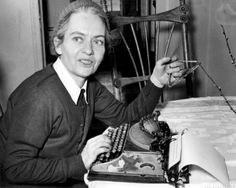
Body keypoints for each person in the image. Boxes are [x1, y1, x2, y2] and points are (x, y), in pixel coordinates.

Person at [0, 0, 183, 187]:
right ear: (58, 44)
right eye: (78, 38)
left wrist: (156, 82)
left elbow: (126, 119)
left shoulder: (89, 86)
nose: (88, 50)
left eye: (98, 41)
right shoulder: (39, 98)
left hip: (65, 175)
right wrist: (80, 162)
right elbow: (14, 169)